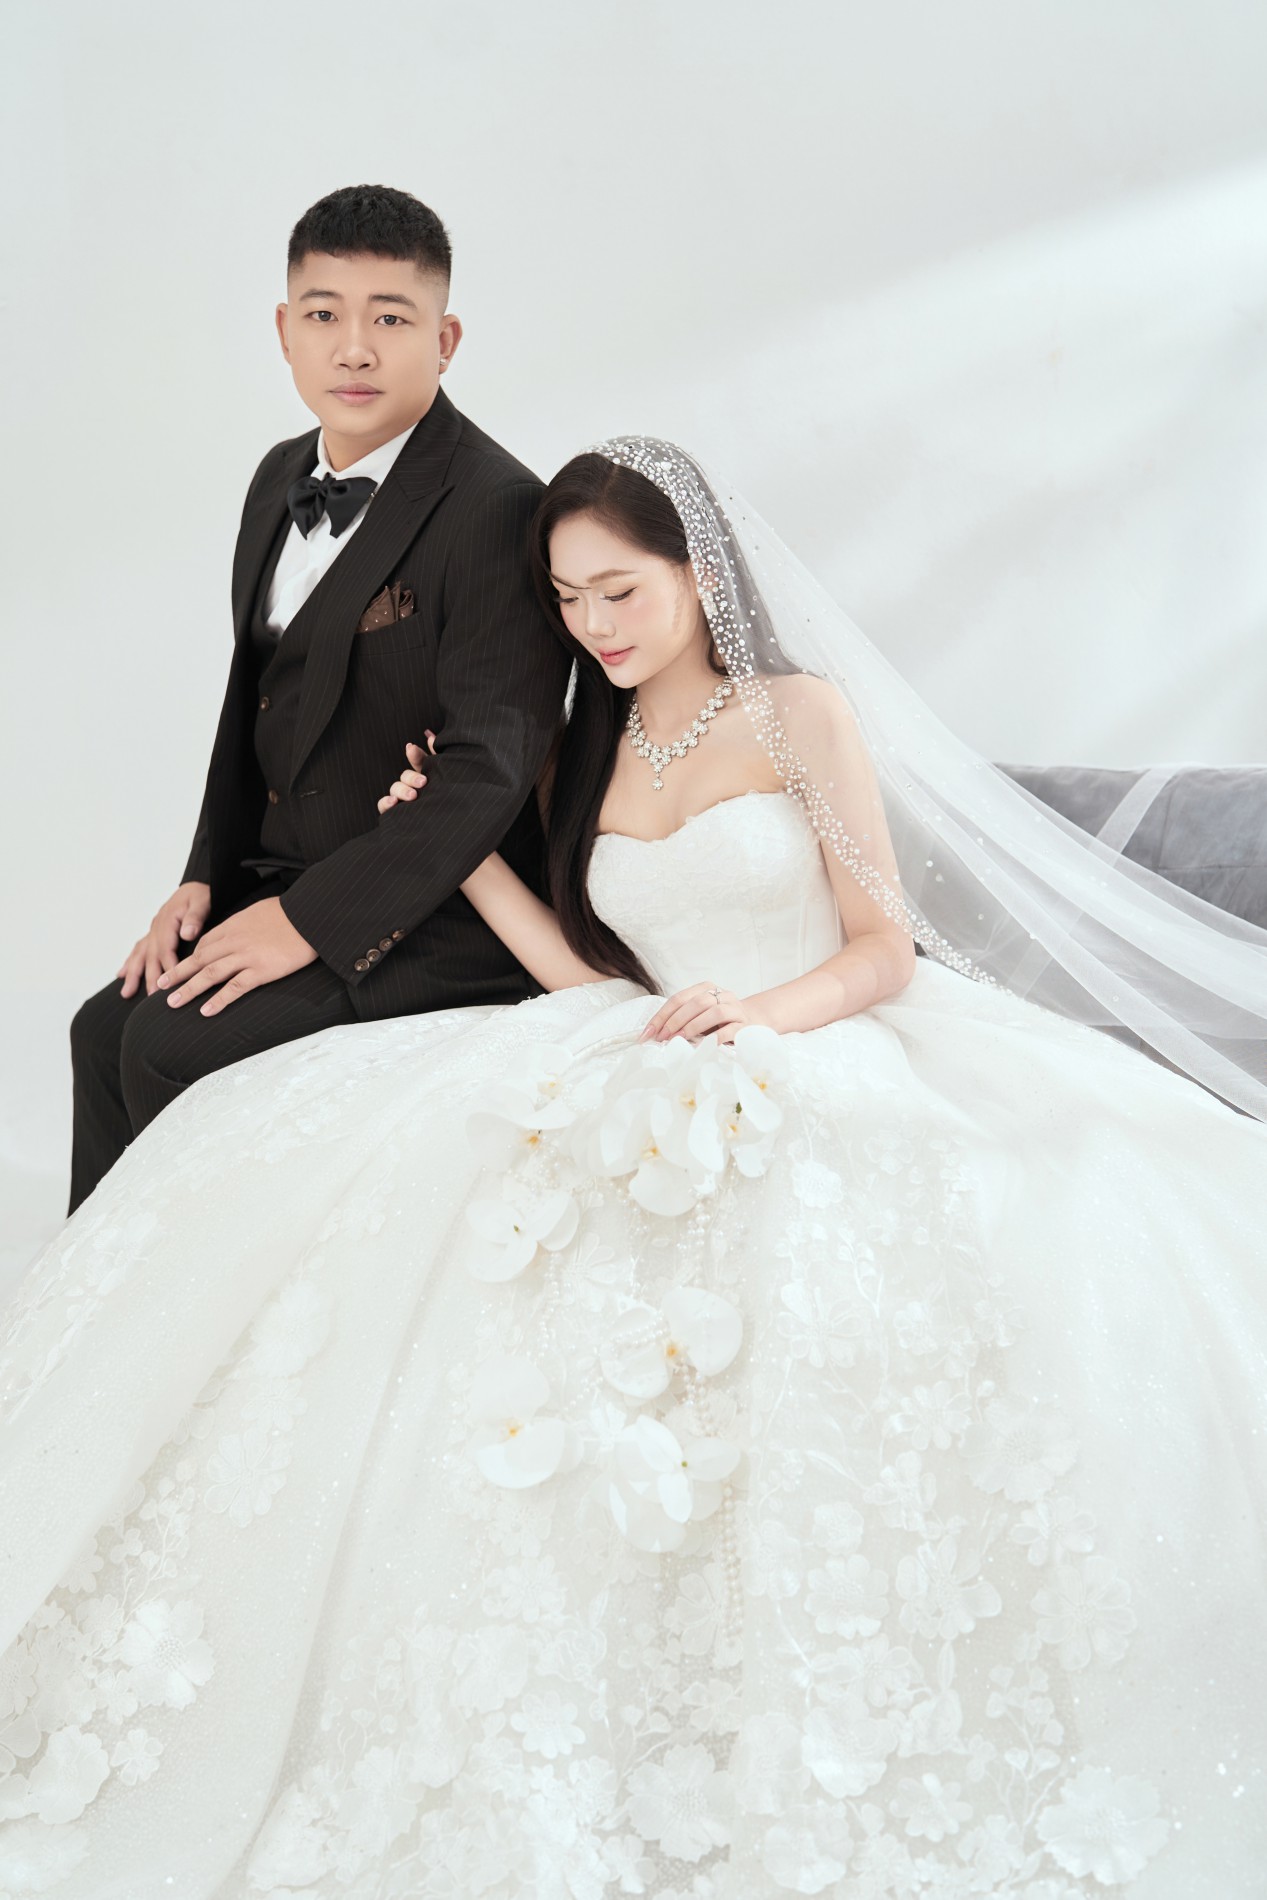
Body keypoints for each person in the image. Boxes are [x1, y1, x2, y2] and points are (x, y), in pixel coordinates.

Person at [2, 440, 1265, 1898]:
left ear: (696, 573)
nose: (594, 625)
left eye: (620, 590)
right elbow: (579, 976)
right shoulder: (573, 748)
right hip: (642, 1042)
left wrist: (761, 1018)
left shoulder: (796, 715)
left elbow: (882, 946)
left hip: (808, 1031)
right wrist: (463, 849)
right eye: (567, 598)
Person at [65, 183, 570, 1214]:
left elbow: (490, 769)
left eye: (391, 318)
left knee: (166, 1044)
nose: (354, 348)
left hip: (436, 914)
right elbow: (251, 700)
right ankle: (96, 1305)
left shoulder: (497, 505)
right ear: (284, 331)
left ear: (445, 340)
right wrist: (203, 877)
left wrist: (309, 922)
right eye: (324, 313)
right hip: (282, 871)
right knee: (101, 1028)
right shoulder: (275, 477)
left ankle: (209, 1300)